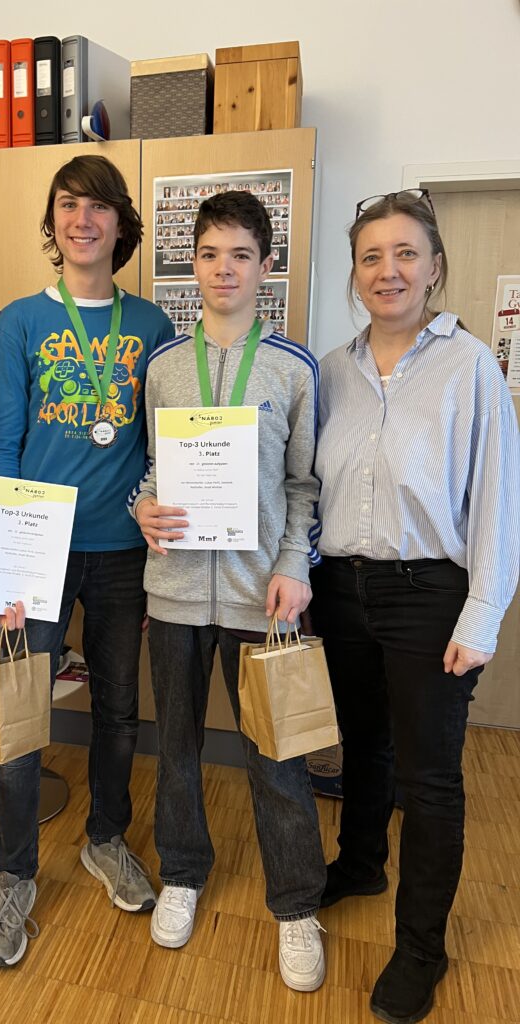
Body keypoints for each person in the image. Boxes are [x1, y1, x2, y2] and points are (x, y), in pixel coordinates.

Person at [311, 189, 520, 1024]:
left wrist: (482, 615)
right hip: (342, 586)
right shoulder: (333, 369)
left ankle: (421, 947)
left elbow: (498, 501)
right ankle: (360, 863)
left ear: (434, 267)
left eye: (406, 253)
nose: (388, 270)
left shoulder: (470, 367)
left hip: (428, 593)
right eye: (372, 256)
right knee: (363, 744)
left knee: (430, 778)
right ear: (355, 273)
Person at [0, 155, 175, 967]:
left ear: (120, 224)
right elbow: (3, 442)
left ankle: (105, 838)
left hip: (124, 553)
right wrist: (1, 566)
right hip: (37, 551)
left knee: (119, 708)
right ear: (53, 223)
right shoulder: (20, 322)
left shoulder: (151, 326)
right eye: (67, 205)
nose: (82, 220)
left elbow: (164, 444)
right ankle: (15, 873)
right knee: (22, 708)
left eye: (97, 206)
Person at [131, 191, 328, 993]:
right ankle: (182, 871)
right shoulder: (162, 368)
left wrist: (294, 565)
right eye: (210, 254)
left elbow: (304, 485)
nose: (224, 269)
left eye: (241, 255)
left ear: (265, 266)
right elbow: (150, 469)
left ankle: (296, 904)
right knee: (175, 749)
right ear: (193, 265)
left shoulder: (293, 368)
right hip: (174, 593)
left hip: (261, 598)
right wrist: (142, 506)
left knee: (276, 756)